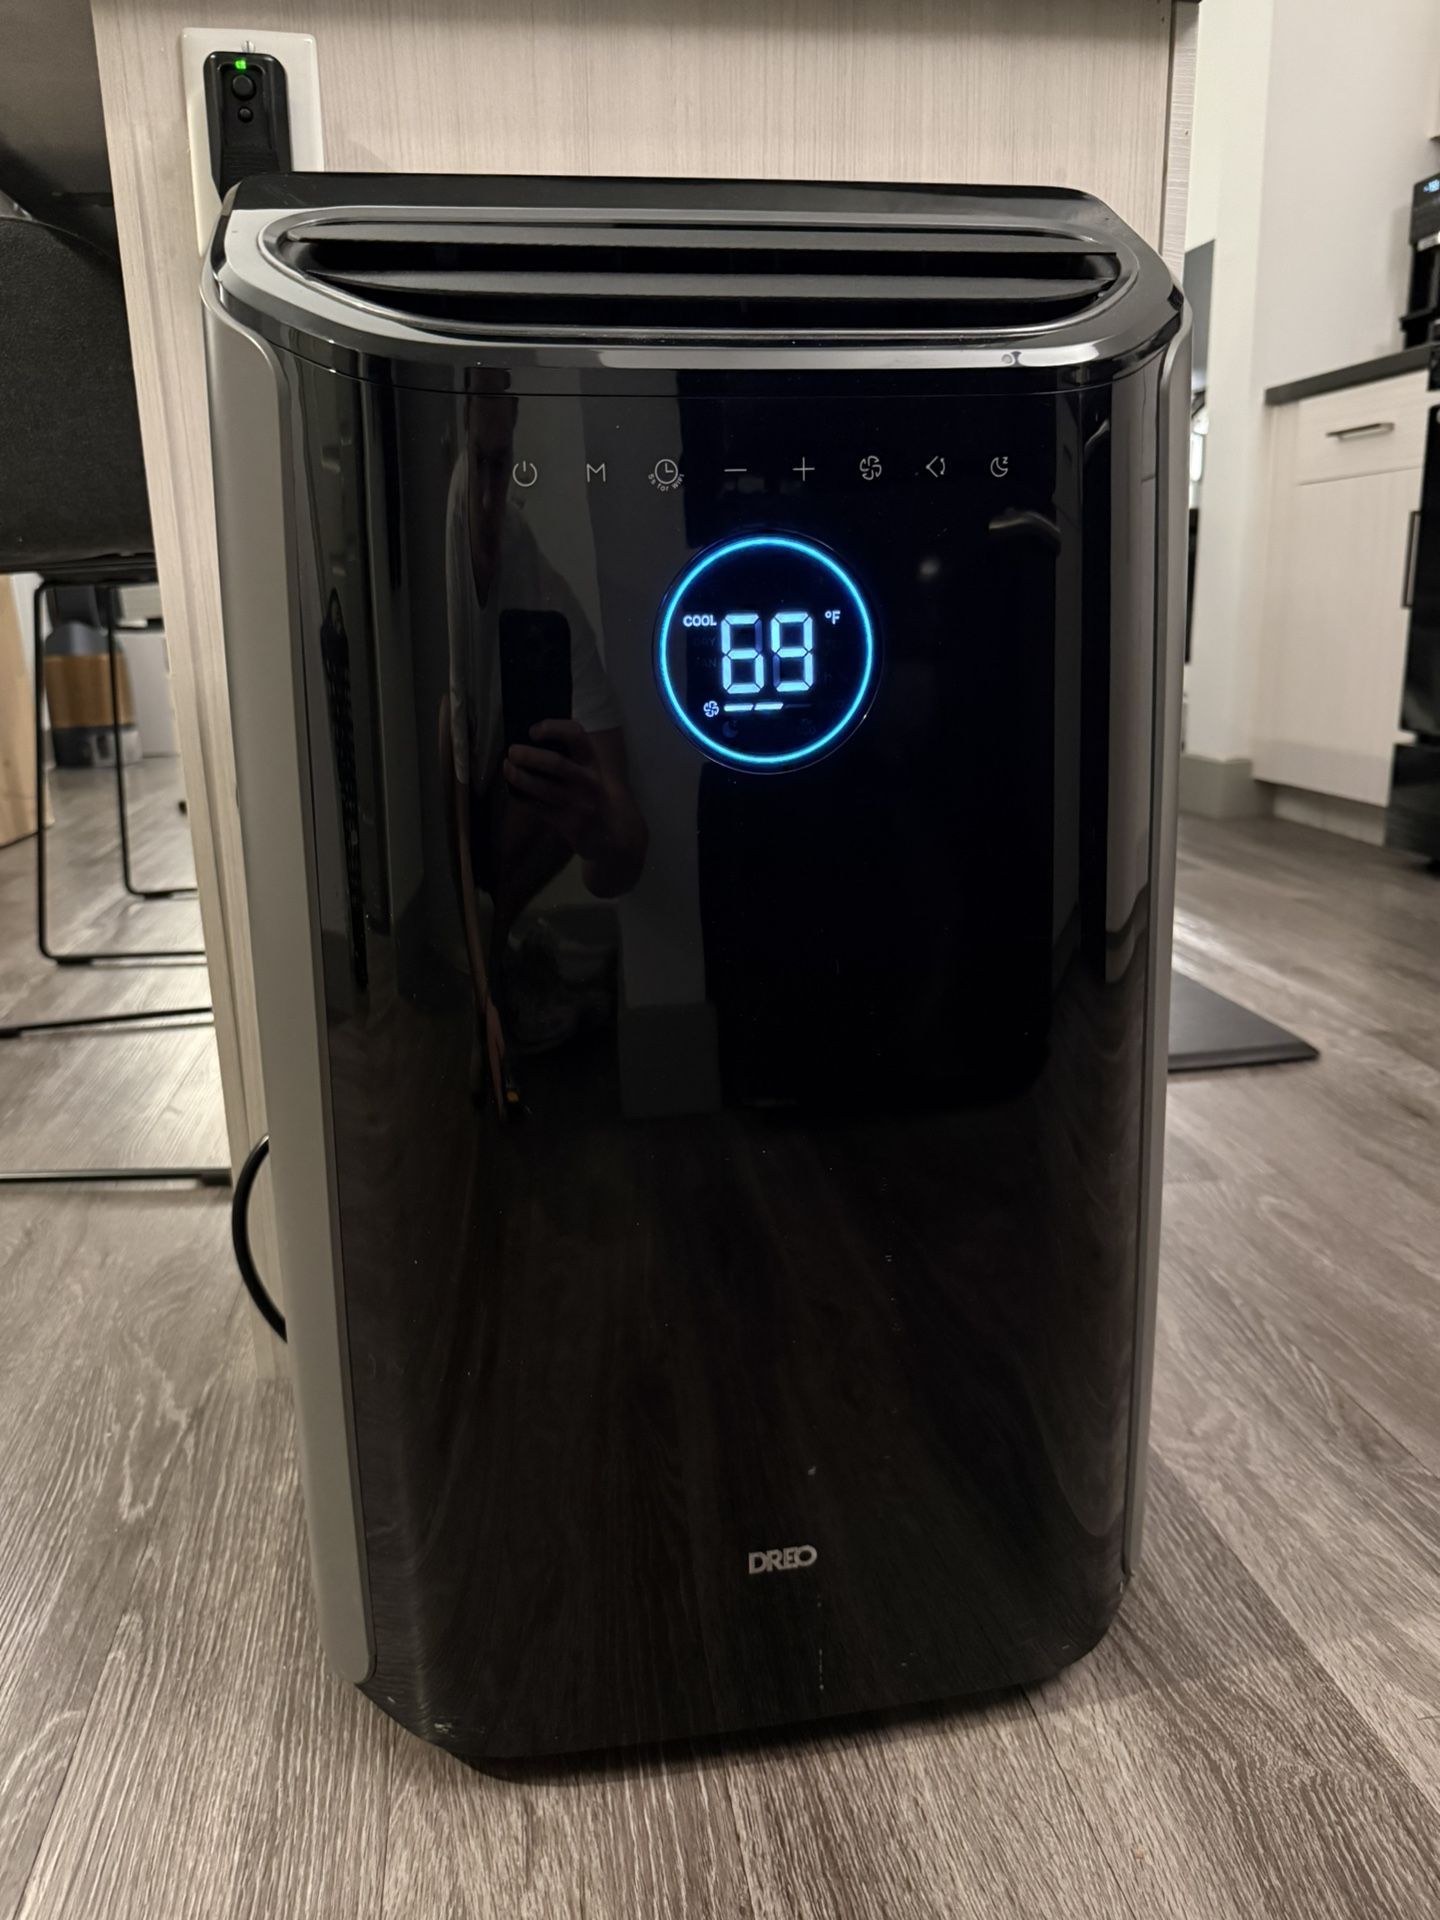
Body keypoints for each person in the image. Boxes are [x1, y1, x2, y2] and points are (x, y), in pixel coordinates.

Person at [438, 392, 647, 1115]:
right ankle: (491, 976)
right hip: (465, 816)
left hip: (516, 828)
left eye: (502, 468)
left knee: (553, 764)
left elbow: (626, 856)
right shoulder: (443, 584)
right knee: (446, 728)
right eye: (478, 468)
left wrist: (596, 821)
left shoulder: (553, 615)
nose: (488, 501)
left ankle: (499, 966)